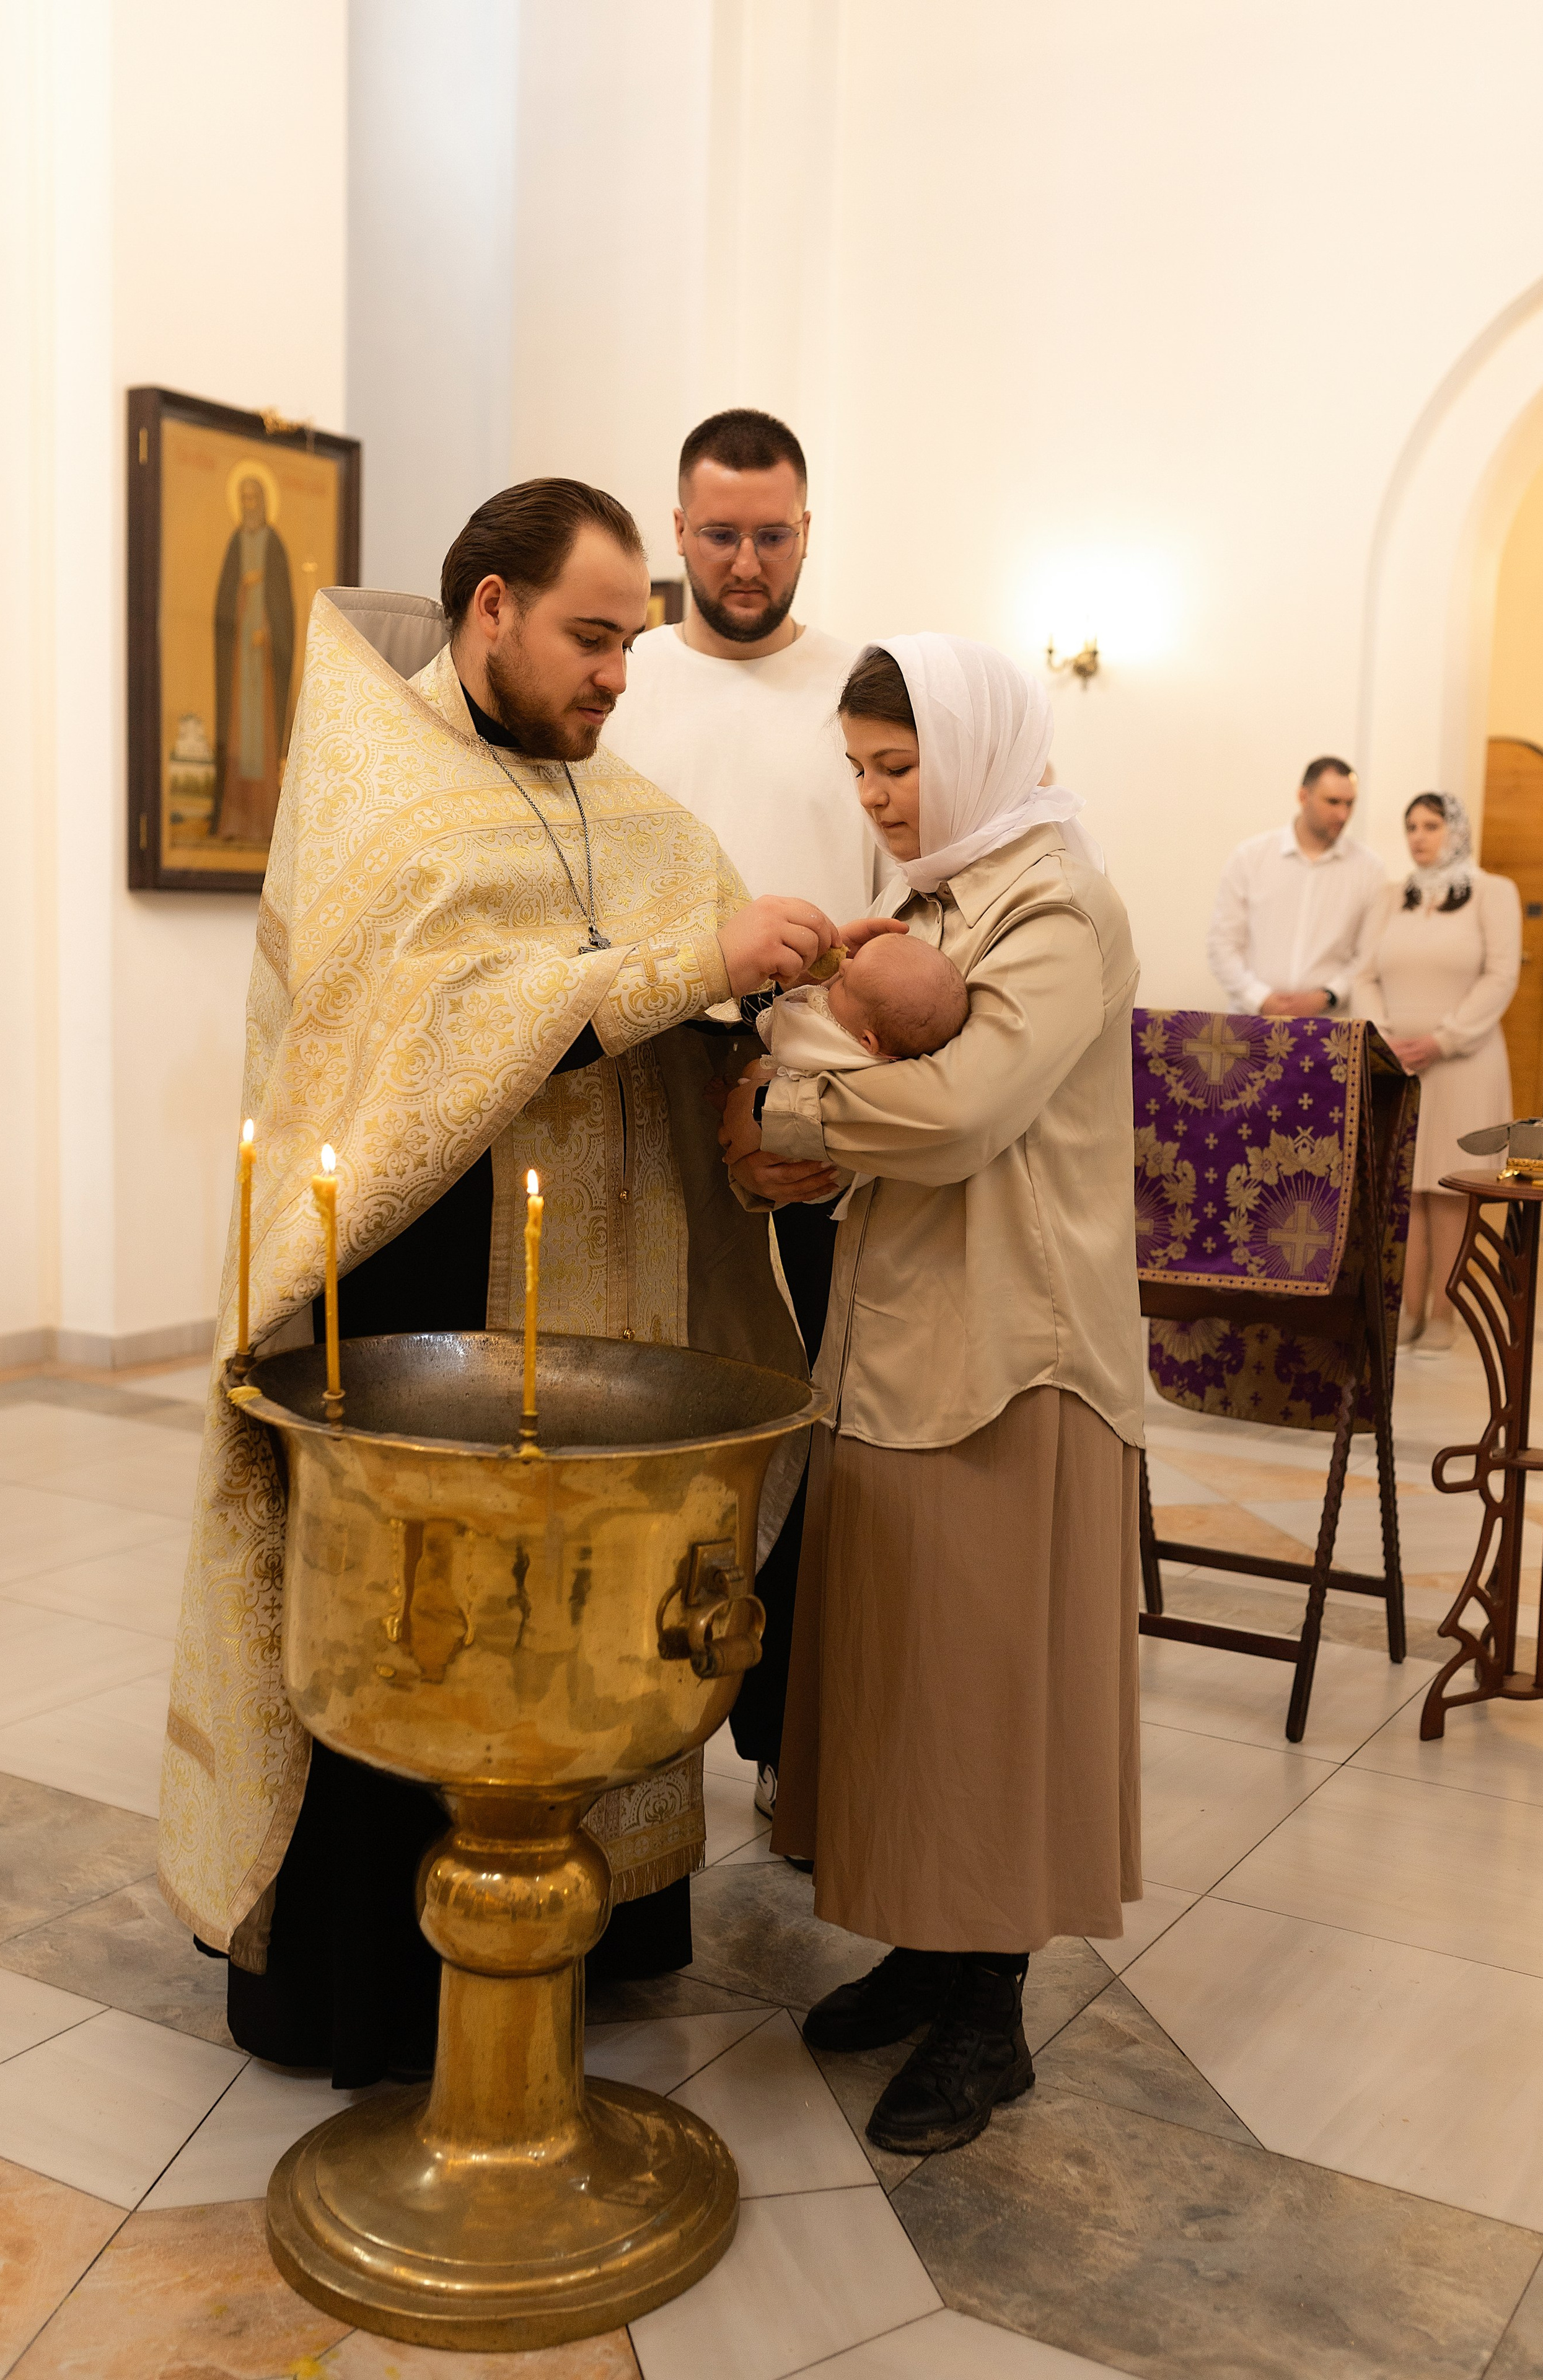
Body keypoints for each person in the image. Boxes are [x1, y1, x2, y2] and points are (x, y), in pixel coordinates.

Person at [159, 476, 837, 2087]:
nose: (617, 675)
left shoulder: (626, 802)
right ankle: (373, 1990)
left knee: (584, 1604)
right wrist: (691, 963)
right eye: (591, 638)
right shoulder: (381, 782)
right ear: (491, 611)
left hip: (604, 1299)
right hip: (419, 1287)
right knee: (424, 1618)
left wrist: (765, 1068)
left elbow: (683, 963)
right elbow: (439, 1031)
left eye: (630, 645)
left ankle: (582, 1932)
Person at [724, 635, 1144, 2156]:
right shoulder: (928, 899)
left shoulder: (1059, 904)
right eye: (858, 769)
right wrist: (805, 1113)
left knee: (989, 1684)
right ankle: (923, 1946)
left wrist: (786, 1113)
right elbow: (853, 1063)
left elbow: (960, 1112)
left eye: (897, 766)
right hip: (899, 1336)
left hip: (1015, 1349)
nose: (877, 797)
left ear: (970, 751)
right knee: (908, 1672)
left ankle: (990, 2012)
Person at [604, 408, 888, 1818]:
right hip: (646, 1089)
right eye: (718, 534)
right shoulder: (625, 681)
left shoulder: (861, 689)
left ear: (806, 531)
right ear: (677, 529)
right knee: (659, 1412)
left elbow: (898, 904)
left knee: (819, 1426)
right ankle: (633, 1730)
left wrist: (802, 1093)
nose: (744, 561)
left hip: (821, 1093)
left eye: (772, 535)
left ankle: (790, 1746)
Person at [1353, 791, 1521, 1354]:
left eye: (1431, 825)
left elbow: (1500, 976)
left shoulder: (1494, 893)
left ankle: (1446, 1314)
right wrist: (1382, 1038)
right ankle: (1406, 1310)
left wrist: (1442, 1039)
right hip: (1398, 1063)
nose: (1419, 836)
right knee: (1405, 1188)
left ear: (1457, 831)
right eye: (1411, 826)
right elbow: (1364, 975)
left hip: (1465, 1061)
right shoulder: (1390, 896)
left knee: (1449, 1188)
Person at [747, 937, 970, 1214]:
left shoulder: (839, 1046)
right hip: (824, 1156)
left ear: (868, 1041)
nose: (844, 966)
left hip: (808, 1165)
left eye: (844, 985)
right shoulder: (894, 1044)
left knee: (753, 1073)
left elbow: (781, 1031)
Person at [1207, 756, 1384, 1016]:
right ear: (1303, 797)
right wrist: (1260, 998)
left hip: (1327, 1024)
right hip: (1252, 1019)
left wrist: (1327, 996)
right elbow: (1222, 943)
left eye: (1350, 803)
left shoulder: (1369, 869)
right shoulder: (1251, 858)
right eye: (1333, 802)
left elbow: (1369, 956)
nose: (1343, 814)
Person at [213, 472, 295, 843]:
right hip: (239, 656)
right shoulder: (236, 542)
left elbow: (283, 604)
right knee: (238, 732)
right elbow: (223, 604)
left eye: (254, 498)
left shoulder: (273, 543)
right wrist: (242, 592)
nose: (249, 505)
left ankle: (264, 823)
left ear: (263, 502)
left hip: (264, 659)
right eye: (243, 498)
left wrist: (271, 632)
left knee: (261, 736)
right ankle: (235, 821)